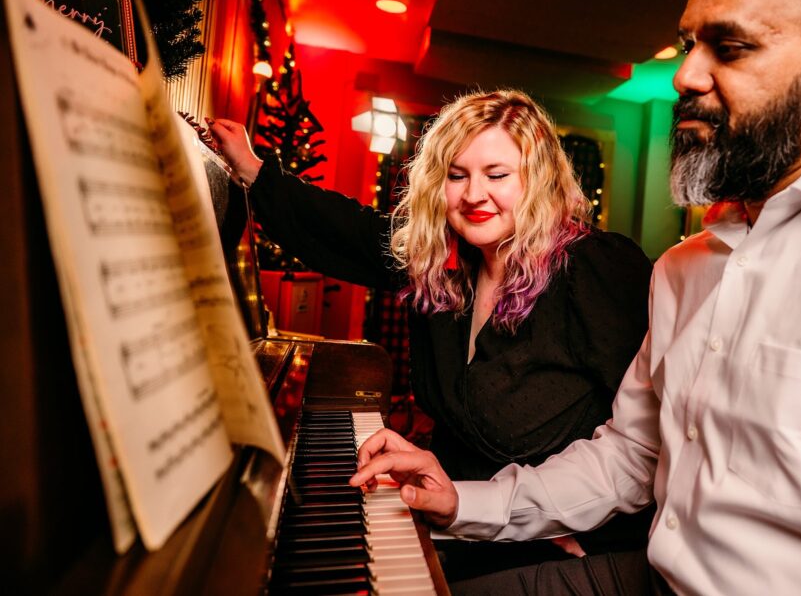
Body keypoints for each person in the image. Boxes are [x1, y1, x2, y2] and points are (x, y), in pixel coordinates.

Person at [351, 0, 801, 595]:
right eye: (689, 43)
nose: (683, 76)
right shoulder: (685, 269)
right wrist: (461, 503)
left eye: (729, 47)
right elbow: (629, 456)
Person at [208, 90, 654, 580]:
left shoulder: (594, 269)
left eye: (497, 175)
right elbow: (348, 232)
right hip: (461, 516)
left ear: (539, 180)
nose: (473, 194)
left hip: (566, 544)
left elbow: (652, 433)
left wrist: (576, 523)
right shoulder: (441, 266)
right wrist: (254, 171)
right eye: (456, 175)